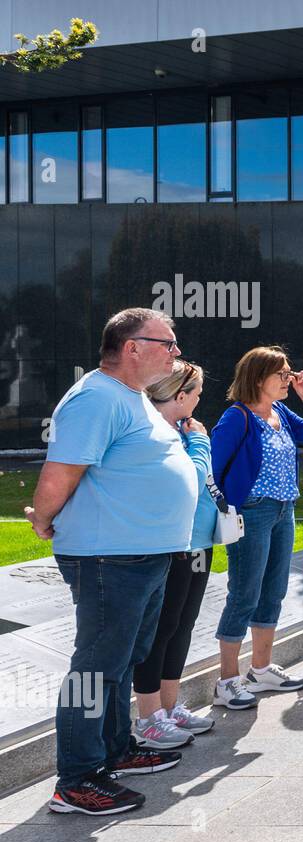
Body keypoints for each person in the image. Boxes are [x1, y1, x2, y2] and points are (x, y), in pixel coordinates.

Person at [27, 308, 198, 814]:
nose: (176, 353)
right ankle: (76, 779)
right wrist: (43, 519)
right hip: (107, 558)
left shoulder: (132, 398)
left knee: (121, 660)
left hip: (141, 554)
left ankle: (116, 751)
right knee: (94, 669)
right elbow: (61, 471)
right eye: (168, 344)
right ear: (131, 347)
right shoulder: (95, 398)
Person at [210, 346, 303, 708]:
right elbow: (212, 470)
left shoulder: (279, 410)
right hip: (253, 512)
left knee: (274, 590)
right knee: (244, 593)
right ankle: (226, 681)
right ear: (258, 377)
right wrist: (229, 506)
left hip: (284, 510)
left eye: (288, 373)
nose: (288, 379)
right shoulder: (237, 417)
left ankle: (260, 670)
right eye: (281, 374)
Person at [132, 361, 219, 748]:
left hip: (197, 540)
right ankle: (147, 719)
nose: (201, 399)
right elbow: (193, 478)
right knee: (161, 629)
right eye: (197, 393)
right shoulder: (160, 433)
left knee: (183, 626)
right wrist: (200, 442)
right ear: (180, 395)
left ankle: (168, 707)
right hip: (172, 544)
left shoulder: (182, 429)